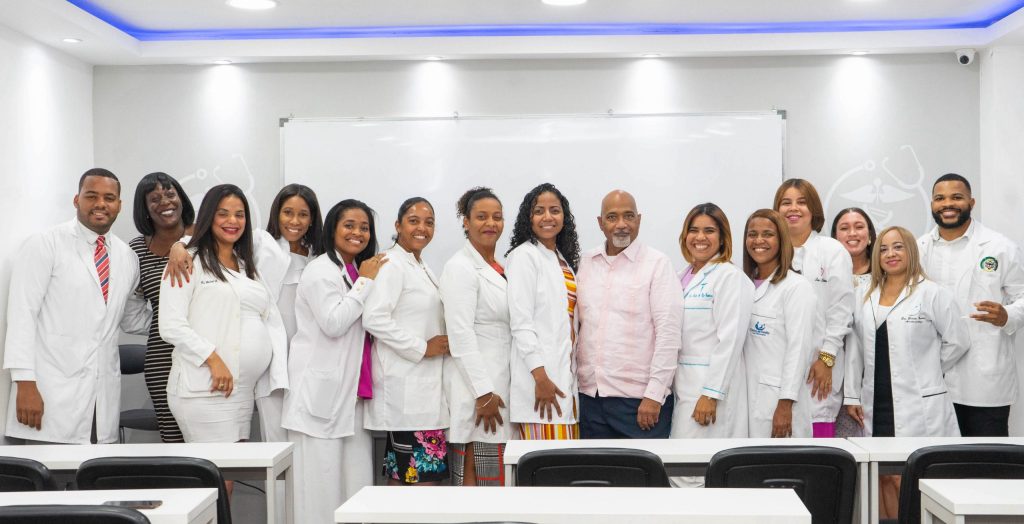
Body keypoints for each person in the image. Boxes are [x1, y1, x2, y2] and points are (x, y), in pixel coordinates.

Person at [167, 184, 323, 443]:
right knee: (273, 445)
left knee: (293, 447)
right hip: (230, 378)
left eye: (303, 214)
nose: (295, 221)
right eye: (287, 212)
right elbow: (171, 323)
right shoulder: (261, 243)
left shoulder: (246, 262)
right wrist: (178, 245)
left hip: (261, 378)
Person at [4, 168, 150, 444]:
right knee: (47, 468)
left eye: (109, 198)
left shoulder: (127, 257)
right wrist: (24, 382)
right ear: (76, 200)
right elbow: (22, 315)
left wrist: (183, 320)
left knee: (94, 466)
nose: (100, 204)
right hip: (49, 392)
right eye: (91, 196)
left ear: (119, 205)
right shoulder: (45, 244)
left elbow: (131, 318)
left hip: (101, 396)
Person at [845, 226, 970, 519]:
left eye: (898, 247)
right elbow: (855, 349)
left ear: (911, 251)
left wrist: (927, 372)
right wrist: (852, 395)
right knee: (881, 477)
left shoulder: (932, 293)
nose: (891, 254)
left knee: (912, 480)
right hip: (876, 401)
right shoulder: (864, 295)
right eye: (884, 249)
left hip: (919, 404)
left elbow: (958, 341)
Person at [282, 199, 387, 522]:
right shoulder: (321, 271)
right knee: (319, 494)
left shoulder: (353, 269)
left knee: (355, 491)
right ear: (332, 229)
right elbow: (333, 323)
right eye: (349, 225)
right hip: (319, 398)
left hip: (351, 397)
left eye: (364, 227)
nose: (358, 233)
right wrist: (365, 283)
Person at [917, 173, 1024, 437]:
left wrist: (1007, 315)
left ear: (971, 202)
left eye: (957, 197)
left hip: (984, 381)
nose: (947, 204)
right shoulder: (918, 249)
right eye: (940, 198)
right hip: (933, 380)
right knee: (936, 458)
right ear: (932, 204)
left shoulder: (999, 247)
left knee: (986, 458)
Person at [574, 190, 680, 439]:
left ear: (639, 220)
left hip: (640, 404)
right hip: (590, 400)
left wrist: (654, 395)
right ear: (600, 223)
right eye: (612, 217)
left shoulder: (657, 264)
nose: (621, 224)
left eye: (629, 216)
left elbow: (668, 334)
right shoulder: (585, 263)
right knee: (593, 466)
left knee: (644, 466)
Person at [362, 197, 450, 485]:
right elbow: (374, 318)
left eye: (429, 222)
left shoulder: (420, 265)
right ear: (398, 225)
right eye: (414, 221)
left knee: (409, 482)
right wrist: (422, 347)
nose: (422, 228)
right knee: (419, 485)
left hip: (421, 395)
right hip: (407, 393)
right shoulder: (391, 264)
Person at [440, 187, 513, 486]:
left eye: (497, 217)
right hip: (477, 390)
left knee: (496, 479)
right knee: (476, 477)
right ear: (466, 222)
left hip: (498, 383)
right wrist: (483, 393)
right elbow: (460, 334)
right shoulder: (460, 267)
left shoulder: (499, 267)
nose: (490, 223)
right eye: (482, 217)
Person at [774, 179, 854, 438]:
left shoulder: (832, 251)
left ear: (814, 209)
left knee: (816, 445)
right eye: (786, 202)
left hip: (817, 369)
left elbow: (841, 309)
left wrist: (826, 358)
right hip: (776, 369)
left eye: (801, 202)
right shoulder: (770, 252)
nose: (793, 208)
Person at [506, 183, 581, 440]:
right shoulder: (524, 256)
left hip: (564, 383)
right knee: (547, 462)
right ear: (528, 218)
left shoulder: (561, 261)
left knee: (565, 461)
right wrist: (540, 377)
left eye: (555, 210)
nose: (548, 217)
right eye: (539, 211)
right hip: (542, 387)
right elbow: (521, 323)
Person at [671, 203, 752, 438]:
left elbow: (731, 340)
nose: (700, 237)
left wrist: (711, 393)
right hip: (683, 385)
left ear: (723, 238)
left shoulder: (730, 277)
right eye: (693, 230)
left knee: (702, 457)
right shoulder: (680, 276)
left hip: (709, 391)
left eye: (709, 231)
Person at [129, 171, 196, 443]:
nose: (165, 202)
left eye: (170, 194)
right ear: (144, 208)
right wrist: (164, 322)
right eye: (154, 199)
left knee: (212, 439)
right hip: (161, 358)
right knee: (173, 439)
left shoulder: (204, 237)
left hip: (206, 353)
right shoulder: (135, 250)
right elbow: (131, 309)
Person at [742, 209, 817, 438]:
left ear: (782, 240)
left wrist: (785, 404)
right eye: (752, 234)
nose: (759, 240)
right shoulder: (743, 284)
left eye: (768, 234)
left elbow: (799, 349)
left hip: (778, 402)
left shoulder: (797, 287)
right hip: (745, 399)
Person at [830, 207, 877, 438]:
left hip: (871, 383)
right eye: (844, 228)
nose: (852, 233)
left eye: (859, 227)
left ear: (870, 235)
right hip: (828, 378)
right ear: (834, 237)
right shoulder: (824, 276)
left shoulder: (885, 278)